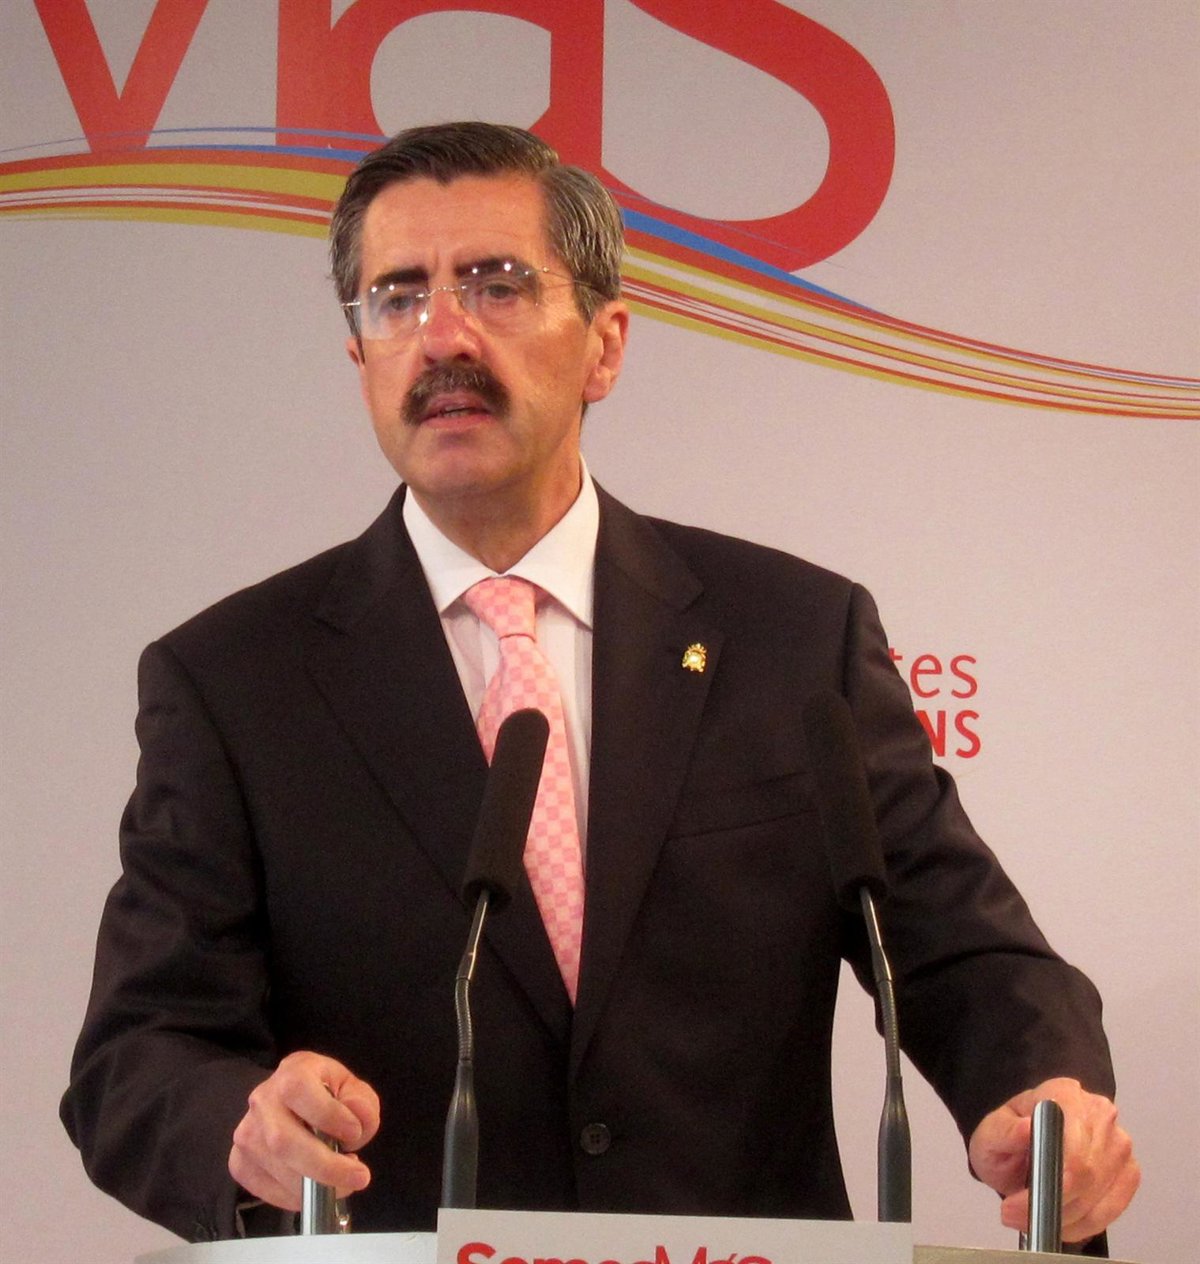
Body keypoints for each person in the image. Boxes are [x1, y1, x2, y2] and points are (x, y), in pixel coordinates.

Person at [61, 122, 1138, 1250]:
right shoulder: (236, 681)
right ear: (360, 360)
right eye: (397, 297)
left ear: (606, 346)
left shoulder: (792, 637)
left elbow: (963, 951)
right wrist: (242, 1127)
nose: (443, 336)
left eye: (497, 285)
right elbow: (137, 1053)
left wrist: (1044, 1097)